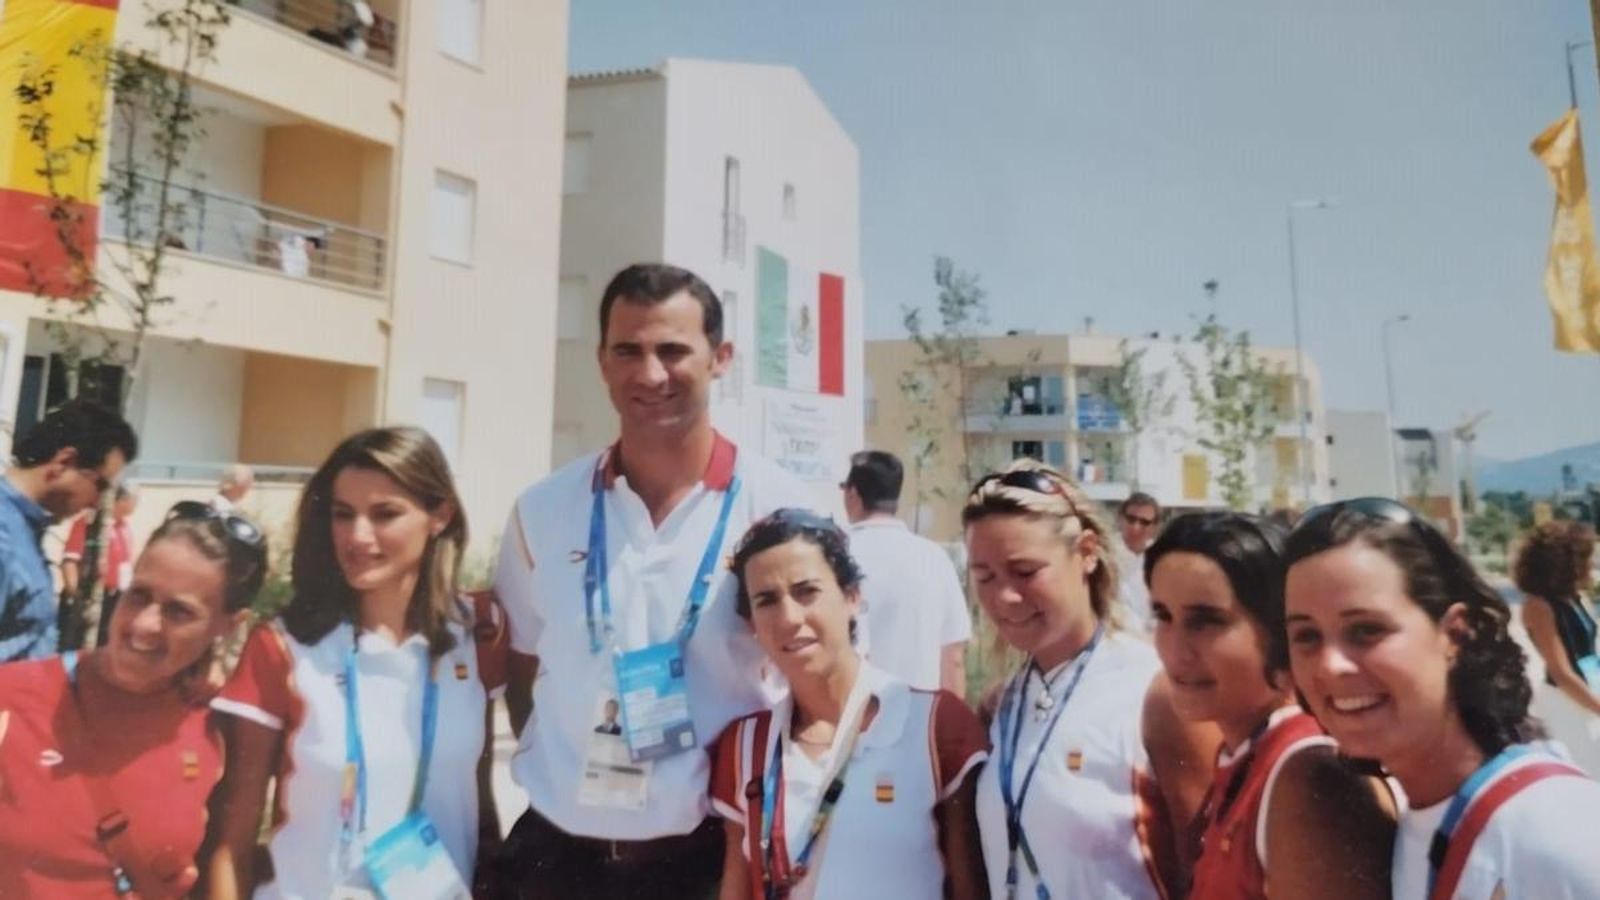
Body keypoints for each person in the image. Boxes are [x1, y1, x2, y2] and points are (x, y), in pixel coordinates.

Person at [492, 263, 813, 899]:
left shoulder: (781, 511)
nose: (650, 374)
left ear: (721, 358)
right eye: (628, 351)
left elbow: (820, 686)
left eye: (673, 350)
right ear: (602, 361)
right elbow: (525, 673)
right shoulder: (542, 510)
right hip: (554, 858)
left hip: (706, 863)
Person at [207, 427, 508, 899]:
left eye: (384, 514)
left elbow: (479, 812)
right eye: (343, 515)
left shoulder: (477, 635)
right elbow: (230, 846)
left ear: (440, 515)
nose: (357, 536)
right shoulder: (282, 648)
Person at [1283, 498, 1600, 900]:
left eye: (1366, 630)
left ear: (1455, 634)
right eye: (1306, 636)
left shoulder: (1550, 831)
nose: (1330, 666)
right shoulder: (1418, 826)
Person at [963, 460, 1218, 900]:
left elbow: (1210, 875)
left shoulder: (1156, 693)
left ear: (1086, 552)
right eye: (984, 577)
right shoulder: (1000, 705)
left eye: (1025, 572)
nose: (1003, 596)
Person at [711, 509, 989, 900]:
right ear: (752, 623)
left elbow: (969, 887)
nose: (789, 618)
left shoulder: (933, 725)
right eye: (767, 600)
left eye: (807, 591)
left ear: (852, 597)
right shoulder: (745, 746)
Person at [0, 501, 266, 897]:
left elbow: (223, 865)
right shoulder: (14, 695)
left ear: (228, 624)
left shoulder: (218, 726)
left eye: (179, 612)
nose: (143, 625)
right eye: (139, 595)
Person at [1146, 512, 1394, 899]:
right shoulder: (1246, 757)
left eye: (1206, 621)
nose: (1175, 650)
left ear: (1278, 630)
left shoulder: (1308, 778)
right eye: (1163, 615)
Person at [0, 398, 139, 661]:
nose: (98, 501)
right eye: (100, 485)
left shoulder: (24, 530)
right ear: (64, 462)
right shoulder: (4, 534)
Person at [840, 449, 971, 693]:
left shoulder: (835, 555)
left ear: (853, 493)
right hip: (919, 717)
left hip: (851, 719)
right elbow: (953, 658)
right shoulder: (934, 558)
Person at [1515, 521, 1600, 776]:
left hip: (1590, 691)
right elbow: (1561, 672)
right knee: (1587, 775)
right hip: (1565, 702)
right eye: (1586, 560)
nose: (1592, 566)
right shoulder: (1538, 606)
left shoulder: (1576, 597)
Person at [62, 483, 140, 646]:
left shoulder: (124, 527)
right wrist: (76, 596)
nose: (136, 504)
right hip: (91, 596)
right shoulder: (89, 524)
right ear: (121, 500)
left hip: (115, 597)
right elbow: (70, 561)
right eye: (134, 500)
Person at [1115, 492, 1161, 632]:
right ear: (1120, 518)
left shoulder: (1160, 558)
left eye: (1144, 522)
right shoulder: (1102, 556)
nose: (1136, 527)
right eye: (1131, 519)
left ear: (1154, 528)